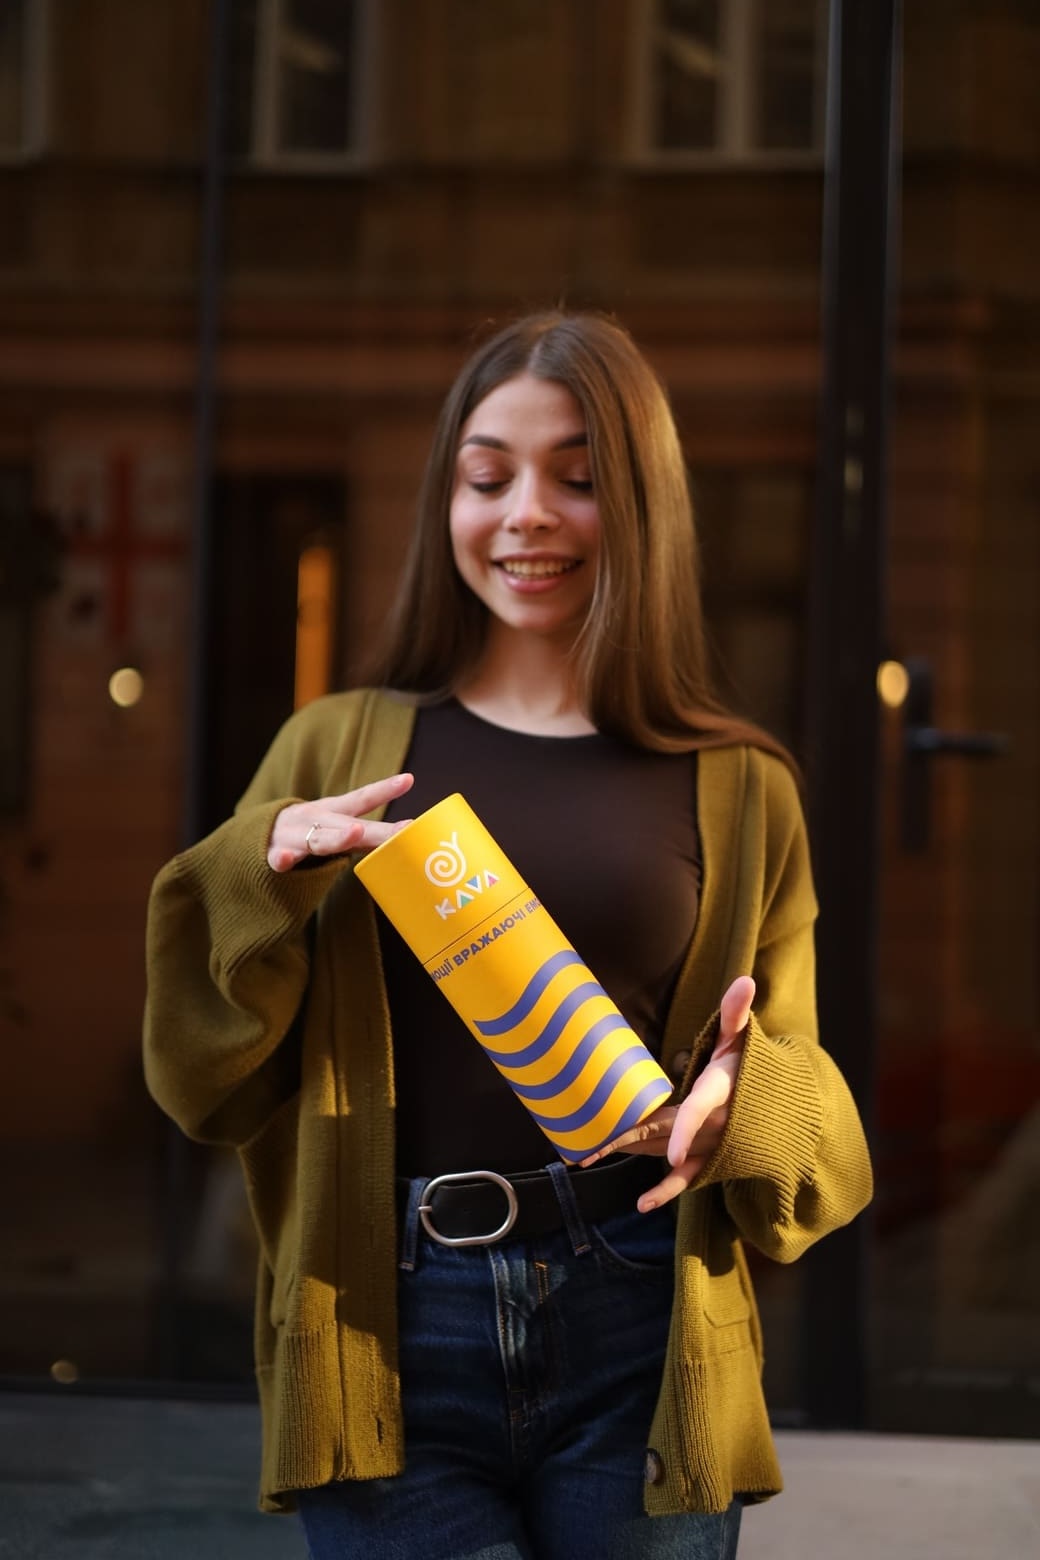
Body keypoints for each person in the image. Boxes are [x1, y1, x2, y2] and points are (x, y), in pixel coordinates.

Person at [143, 310, 873, 1560]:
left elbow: (818, 1129)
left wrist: (739, 1100)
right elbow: (203, 1083)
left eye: (575, 479)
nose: (525, 514)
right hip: (379, 1320)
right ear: (448, 503)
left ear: (642, 508)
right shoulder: (332, 747)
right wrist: (254, 878)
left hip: (642, 1323)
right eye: (487, 479)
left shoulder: (743, 787)